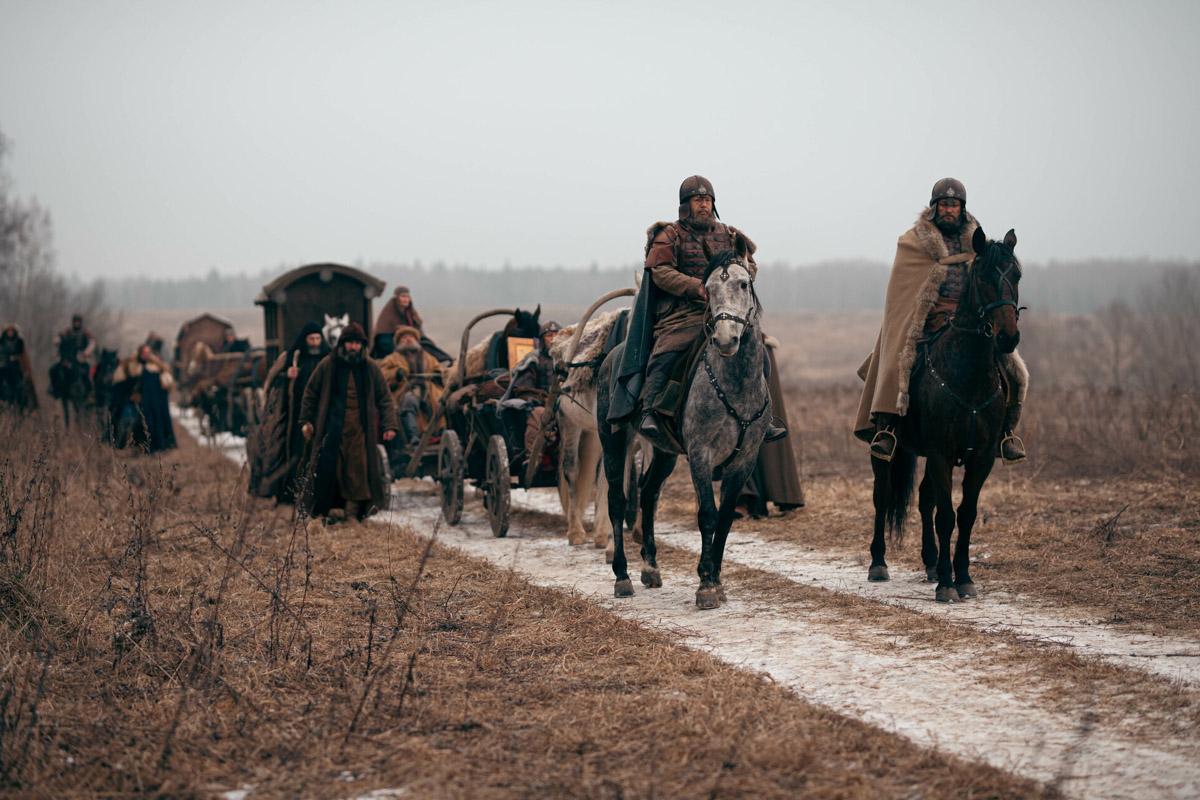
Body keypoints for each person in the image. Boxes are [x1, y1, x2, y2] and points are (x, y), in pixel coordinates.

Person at [854, 177, 1027, 463]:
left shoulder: (977, 242)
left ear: (962, 209)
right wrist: (925, 315)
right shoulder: (913, 242)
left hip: (972, 318)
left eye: (955, 205)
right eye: (944, 204)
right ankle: (889, 429)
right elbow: (903, 292)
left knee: (1012, 368)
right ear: (935, 208)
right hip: (928, 319)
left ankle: (1006, 432)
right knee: (898, 362)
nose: (950, 210)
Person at [608, 175, 785, 442]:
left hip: (723, 311)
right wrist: (697, 287)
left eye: (707, 200)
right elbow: (660, 272)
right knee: (667, 351)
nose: (703, 205)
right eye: (697, 200)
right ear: (685, 204)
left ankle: (763, 416)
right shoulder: (669, 234)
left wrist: (737, 278)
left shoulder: (729, 235)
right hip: (681, 313)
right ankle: (649, 411)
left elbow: (750, 267)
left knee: (759, 350)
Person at [299, 323, 399, 522]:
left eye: (357, 343)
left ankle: (352, 512)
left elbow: (385, 398)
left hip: (361, 430)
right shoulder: (328, 364)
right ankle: (326, 512)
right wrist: (306, 421)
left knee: (358, 470)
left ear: (362, 345)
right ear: (342, 344)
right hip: (331, 428)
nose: (353, 347)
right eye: (349, 343)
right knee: (329, 470)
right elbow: (310, 394)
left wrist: (389, 425)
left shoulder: (370, 367)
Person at [249, 321, 330, 503]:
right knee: (296, 453)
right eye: (312, 339)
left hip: (321, 412)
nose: (315, 343)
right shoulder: (292, 357)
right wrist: (286, 376)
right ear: (305, 339)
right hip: (296, 414)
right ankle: (291, 493)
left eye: (318, 338)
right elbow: (272, 383)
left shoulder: (328, 357)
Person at [377, 325, 445, 448]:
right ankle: (413, 435)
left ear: (416, 340)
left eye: (411, 336)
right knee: (410, 402)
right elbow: (383, 375)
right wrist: (396, 373)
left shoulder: (427, 356)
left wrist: (437, 374)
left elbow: (438, 368)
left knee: (438, 400)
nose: (408, 339)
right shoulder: (392, 358)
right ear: (398, 342)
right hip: (406, 388)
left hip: (427, 387)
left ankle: (441, 431)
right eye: (404, 337)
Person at [112, 343, 177, 453]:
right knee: (127, 422)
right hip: (132, 403)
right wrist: (131, 396)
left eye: (148, 352)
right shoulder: (131, 367)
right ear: (140, 353)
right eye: (144, 352)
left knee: (152, 424)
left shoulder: (156, 368)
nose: (146, 354)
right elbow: (123, 385)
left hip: (150, 404)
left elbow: (163, 386)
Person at [0, 323, 38, 411]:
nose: (9, 333)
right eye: (8, 331)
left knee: (19, 385)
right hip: (3, 367)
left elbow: (22, 356)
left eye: (11, 331)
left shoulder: (19, 341)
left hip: (15, 367)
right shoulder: (1, 341)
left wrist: (14, 358)